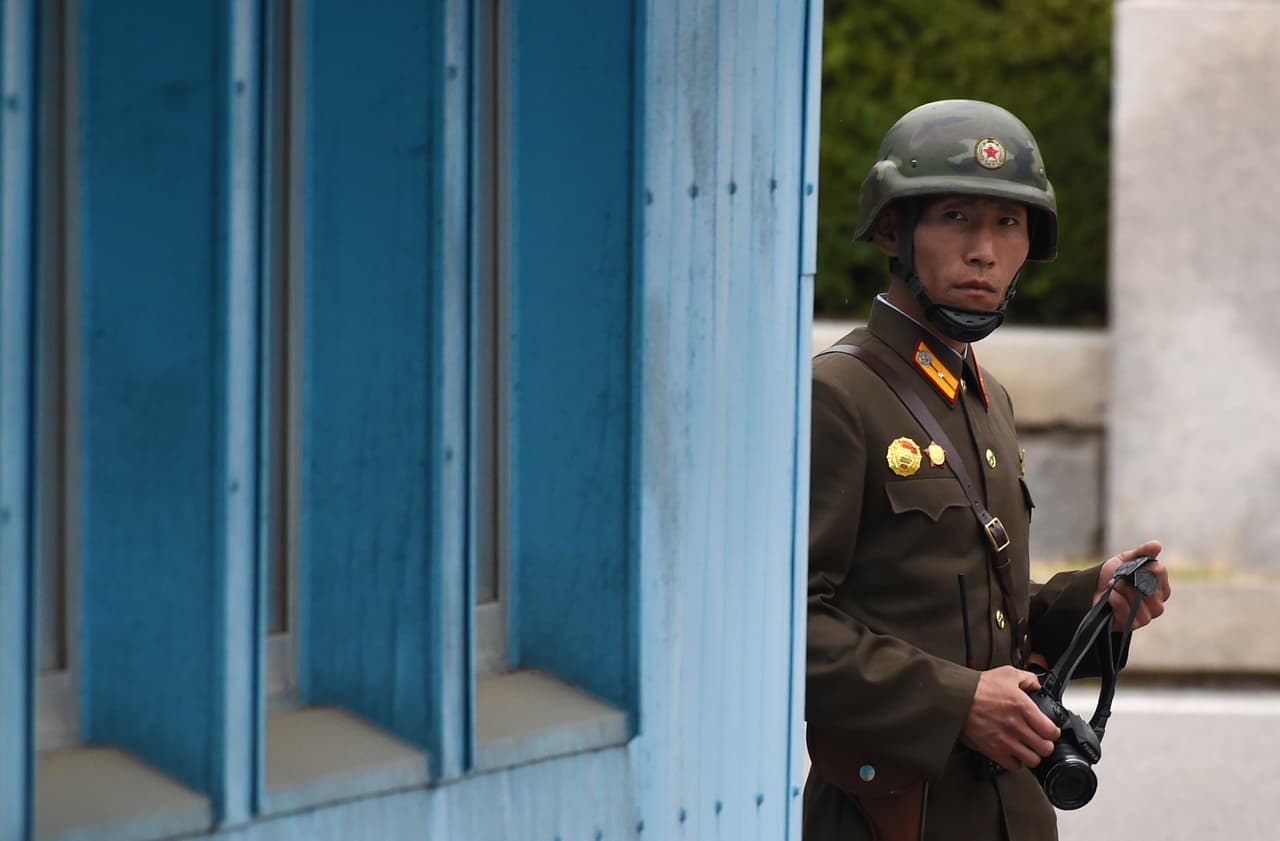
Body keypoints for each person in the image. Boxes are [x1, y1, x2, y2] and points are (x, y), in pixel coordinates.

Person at [804, 99, 1172, 841]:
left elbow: (972, 607)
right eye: (954, 217)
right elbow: (785, 627)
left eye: (1008, 223)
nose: (985, 249)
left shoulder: (985, 395)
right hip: (891, 816)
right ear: (891, 231)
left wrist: (1088, 599)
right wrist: (957, 701)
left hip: (1012, 813)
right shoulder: (837, 395)